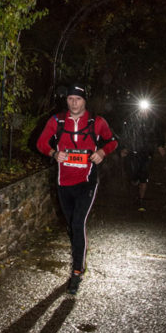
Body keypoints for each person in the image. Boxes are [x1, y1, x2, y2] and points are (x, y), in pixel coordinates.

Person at [37, 83, 118, 294]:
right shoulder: (56, 121)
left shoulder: (97, 122)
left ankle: (76, 271)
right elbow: (41, 143)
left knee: (78, 223)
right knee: (72, 226)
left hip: (87, 182)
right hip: (64, 183)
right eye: (71, 99)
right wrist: (54, 154)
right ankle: (79, 253)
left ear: (85, 101)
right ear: (66, 100)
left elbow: (113, 142)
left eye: (78, 99)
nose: (74, 103)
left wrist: (102, 153)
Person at [119, 104, 165, 211]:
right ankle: (134, 183)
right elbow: (124, 134)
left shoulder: (153, 121)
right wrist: (123, 148)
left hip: (147, 153)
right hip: (133, 152)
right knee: (133, 175)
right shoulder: (131, 120)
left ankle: (141, 199)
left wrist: (160, 146)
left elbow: (159, 133)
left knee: (144, 177)